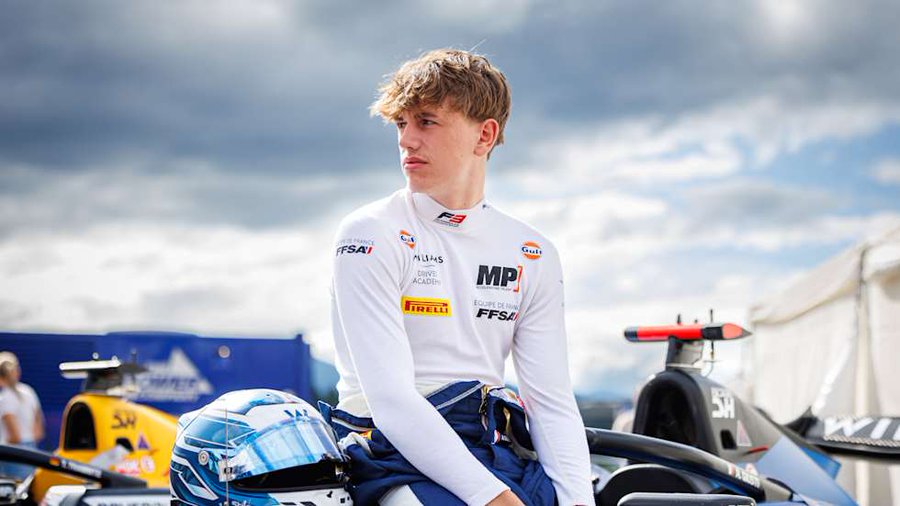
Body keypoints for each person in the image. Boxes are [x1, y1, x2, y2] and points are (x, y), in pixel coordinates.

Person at [326, 49, 593, 505]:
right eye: (400, 124)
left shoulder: (532, 252)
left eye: (426, 122)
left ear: (484, 135)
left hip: (494, 448)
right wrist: (494, 499)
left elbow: (550, 402)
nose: (407, 140)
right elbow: (392, 401)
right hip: (391, 453)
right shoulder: (370, 233)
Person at [0, 351, 44, 480]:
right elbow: (39, 431)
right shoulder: (29, 392)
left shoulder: (5, 399)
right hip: (32, 451)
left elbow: (15, 436)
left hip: (12, 454)